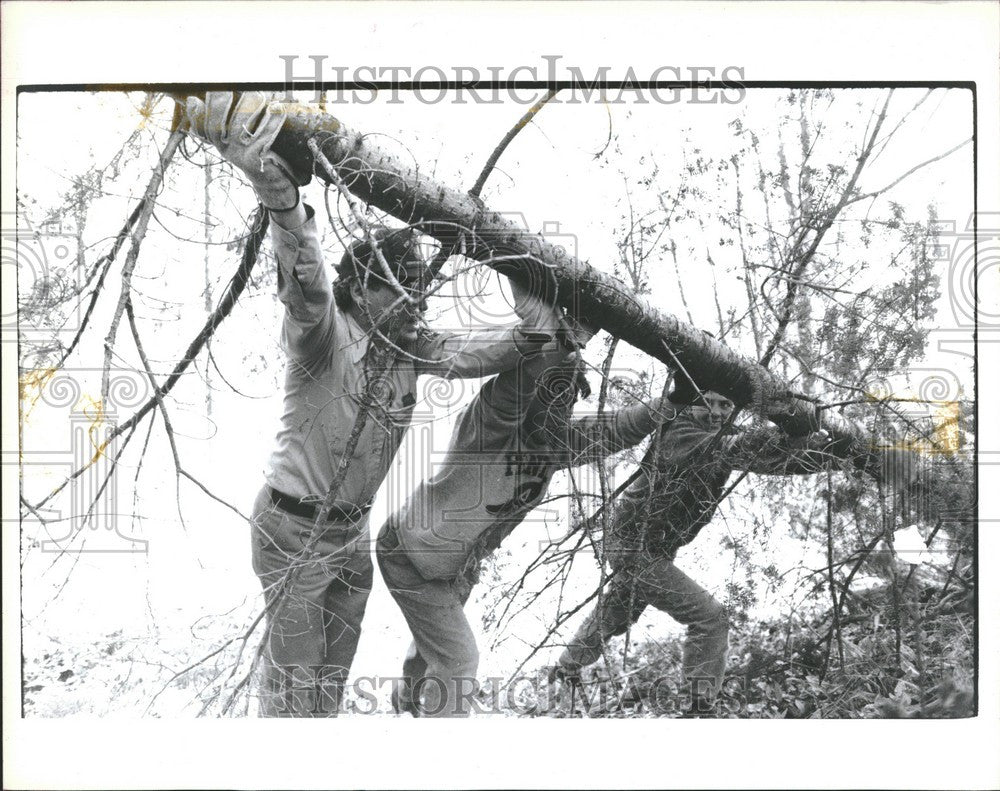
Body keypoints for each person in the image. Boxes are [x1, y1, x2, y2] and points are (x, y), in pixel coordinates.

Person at [184, 91, 562, 716]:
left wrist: (531, 337)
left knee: (330, 683)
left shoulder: (410, 346)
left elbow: (469, 353)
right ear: (362, 284)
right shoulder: (324, 335)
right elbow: (305, 285)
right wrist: (284, 204)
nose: (416, 299)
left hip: (351, 535)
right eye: (402, 286)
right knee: (294, 690)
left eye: (421, 287)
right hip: (291, 530)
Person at [376, 298, 676, 717]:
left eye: (569, 398)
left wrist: (671, 402)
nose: (560, 406)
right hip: (410, 552)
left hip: (453, 564)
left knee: (431, 650)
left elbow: (617, 429)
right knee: (459, 660)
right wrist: (561, 347)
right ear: (535, 391)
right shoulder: (491, 427)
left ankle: (405, 704)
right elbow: (510, 390)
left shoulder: (555, 445)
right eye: (552, 393)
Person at [553, 373, 863, 716]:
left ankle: (565, 669)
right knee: (710, 618)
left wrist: (834, 455)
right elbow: (737, 450)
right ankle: (699, 706)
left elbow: (774, 461)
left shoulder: (722, 436)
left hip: (650, 547)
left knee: (618, 609)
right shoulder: (680, 431)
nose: (715, 412)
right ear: (694, 402)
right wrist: (796, 430)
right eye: (707, 402)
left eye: (725, 405)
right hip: (633, 546)